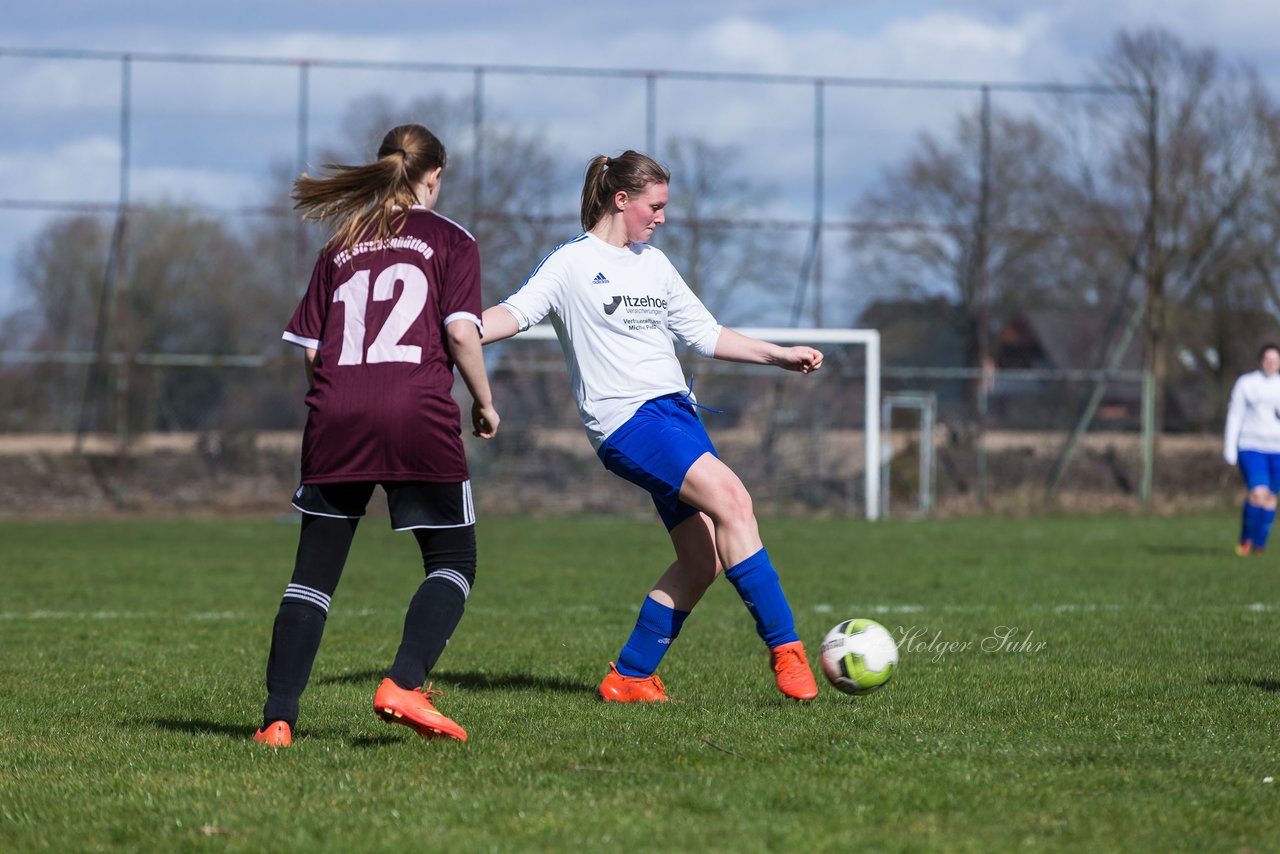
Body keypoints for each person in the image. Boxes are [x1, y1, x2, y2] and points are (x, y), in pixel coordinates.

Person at [481, 150, 823, 703]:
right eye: (655, 206)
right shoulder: (571, 262)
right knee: (734, 500)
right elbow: (514, 312)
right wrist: (455, 331)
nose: (661, 217)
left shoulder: (654, 264)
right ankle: (787, 650)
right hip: (627, 422)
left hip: (677, 416)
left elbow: (706, 334)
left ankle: (631, 676)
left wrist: (778, 355)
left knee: (704, 558)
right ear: (622, 200)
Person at [254, 124, 499, 747]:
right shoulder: (451, 240)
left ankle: (278, 720)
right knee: (452, 560)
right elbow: (463, 334)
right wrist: (484, 403)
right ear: (433, 176)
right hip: (416, 410)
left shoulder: (340, 244)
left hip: (336, 415)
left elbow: (311, 353)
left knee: (312, 576)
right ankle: (404, 684)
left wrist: (348, 393)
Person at [1224, 343, 1280, 556]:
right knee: (1257, 493)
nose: (1271, 364)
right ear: (1260, 361)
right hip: (1251, 446)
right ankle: (1246, 539)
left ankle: (1260, 545)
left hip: (1277, 450)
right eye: (1268, 359)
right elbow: (1235, 414)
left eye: (1276, 360)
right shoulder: (1246, 383)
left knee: (1270, 498)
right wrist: (1229, 447)